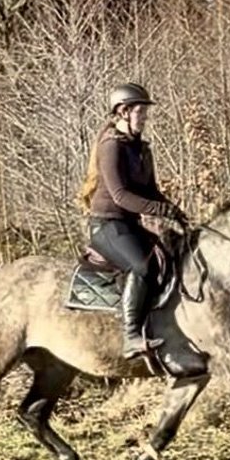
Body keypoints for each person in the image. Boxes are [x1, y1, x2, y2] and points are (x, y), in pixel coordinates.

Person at [77, 82, 188, 359]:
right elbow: (121, 196)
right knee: (142, 265)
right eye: (141, 112)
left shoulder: (142, 148)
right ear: (124, 112)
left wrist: (175, 211)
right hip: (106, 225)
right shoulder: (111, 146)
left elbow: (150, 191)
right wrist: (160, 210)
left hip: (129, 225)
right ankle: (131, 337)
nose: (146, 118)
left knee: (169, 257)